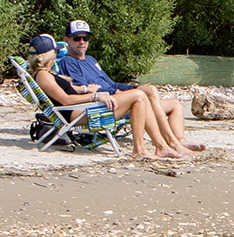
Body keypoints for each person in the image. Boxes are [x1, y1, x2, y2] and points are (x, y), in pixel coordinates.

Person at [55, 19, 203, 152]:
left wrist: (133, 88)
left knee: (175, 104)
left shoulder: (90, 60)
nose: (82, 42)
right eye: (77, 38)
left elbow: (111, 83)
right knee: (146, 93)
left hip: (117, 98)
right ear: (67, 40)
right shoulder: (68, 62)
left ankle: (179, 141)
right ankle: (171, 143)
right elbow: (85, 90)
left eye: (85, 38)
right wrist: (117, 93)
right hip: (106, 105)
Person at [25, 34, 181, 159]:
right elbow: (66, 100)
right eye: (56, 52)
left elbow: (68, 91)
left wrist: (85, 89)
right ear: (50, 55)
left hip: (80, 110)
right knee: (139, 96)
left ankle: (160, 147)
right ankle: (142, 149)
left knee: (140, 99)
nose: (57, 55)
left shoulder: (47, 74)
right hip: (77, 114)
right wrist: (95, 96)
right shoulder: (43, 75)